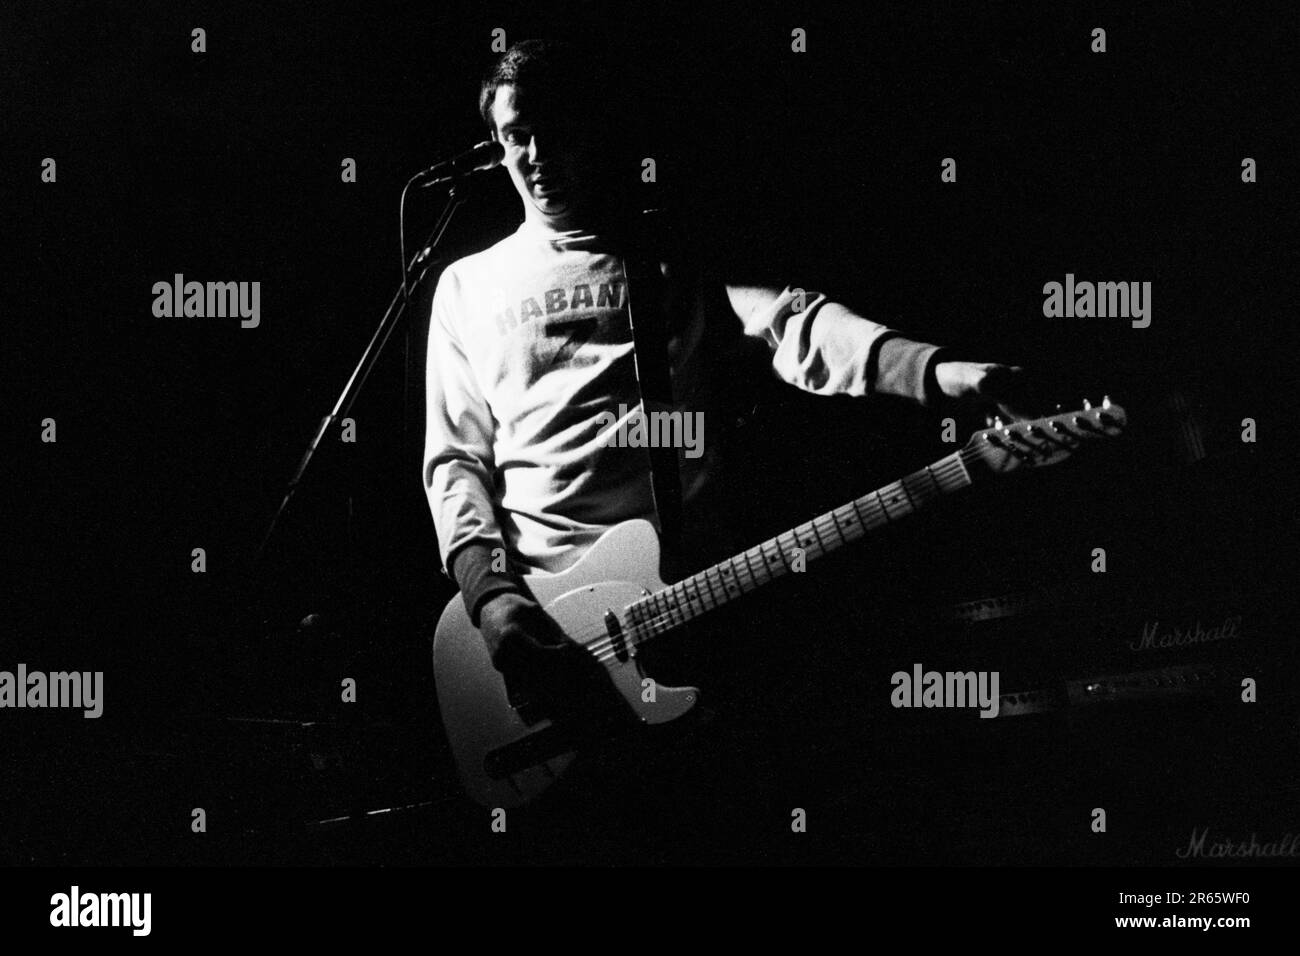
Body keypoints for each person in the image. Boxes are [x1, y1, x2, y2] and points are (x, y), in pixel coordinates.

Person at [423, 38, 1030, 727]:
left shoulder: (666, 257)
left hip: (689, 605)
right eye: (516, 137)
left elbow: (795, 326)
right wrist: (495, 600)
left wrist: (942, 371)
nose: (535, 158)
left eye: (553, 133)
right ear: (495, 144)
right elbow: (454, 463)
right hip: (548, 631)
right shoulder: (466, 287)